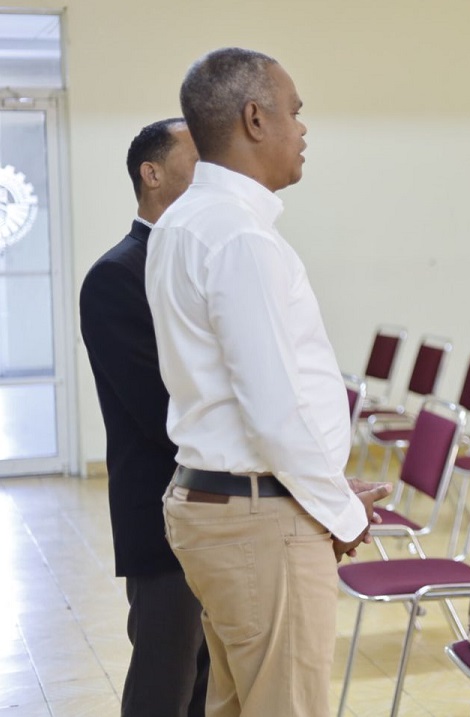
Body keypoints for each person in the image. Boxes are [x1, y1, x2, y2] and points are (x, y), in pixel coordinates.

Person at [145, 48, 390, 717]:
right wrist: (338, 510)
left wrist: (323, 486)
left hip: (231, 505)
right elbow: (274, 410)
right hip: (261, 521)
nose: (302, 128)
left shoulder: (183, 224)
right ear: (255, 118)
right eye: (295, 112)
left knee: (238, 703)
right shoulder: (237, 237)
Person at [80, 118, 208, 717]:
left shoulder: (196, 261)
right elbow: (161, 411)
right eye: (194, 154)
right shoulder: (116, 275)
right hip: (161, 508)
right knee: (165, 677)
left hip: (216, 505)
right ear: (150, 173)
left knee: (208, 677)